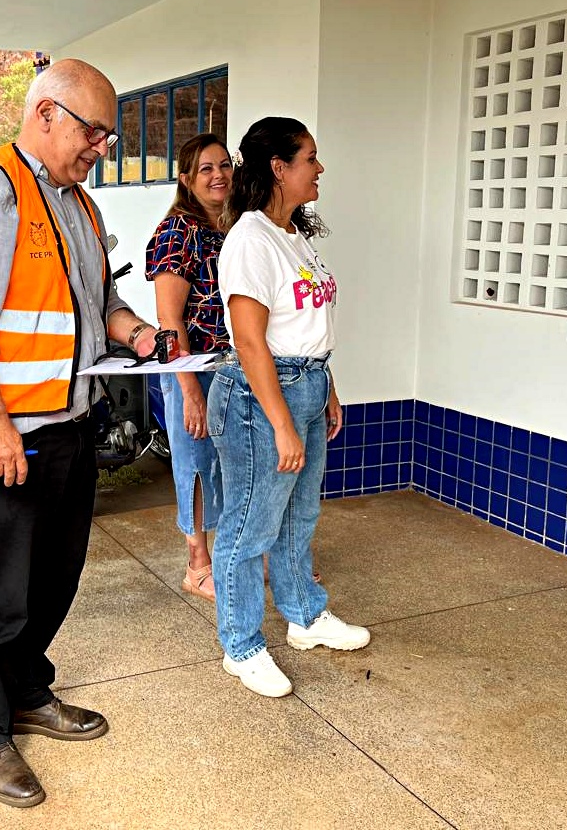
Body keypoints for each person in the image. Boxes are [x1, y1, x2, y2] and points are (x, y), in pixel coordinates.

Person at [0, 58, 160, 808]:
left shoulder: (79, 207)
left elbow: (101, 301)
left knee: (55, 574)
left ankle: (28, 689)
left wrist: (139, 332)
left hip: (68, 424)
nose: (102, 147)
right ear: (46, 113)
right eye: (94, 131)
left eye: (108, 136)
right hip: (4, 431)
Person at [208, 116, 369, 699]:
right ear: (279, 167)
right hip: (262, 395)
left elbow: (307, 324)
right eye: (310, 158)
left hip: (305, 383)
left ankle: (304, 615)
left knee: (300, 515)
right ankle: (242, 645)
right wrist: (281, 422)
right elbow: (250, 340)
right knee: (249, 525)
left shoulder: (293, 236)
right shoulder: (250, 238)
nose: (319, 168)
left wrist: (326, 387)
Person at [145, 133, 231, 602]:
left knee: (236, 464)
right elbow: (168, 321)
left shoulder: (235, 227)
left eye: (224, 165)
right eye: (205, 168)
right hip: (192, 369)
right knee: (196, 465)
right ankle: (197, 564)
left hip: (235, 368)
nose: (218, 175)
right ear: (186, 178)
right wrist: (190, 390)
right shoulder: (177, 231)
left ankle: (236, 554)